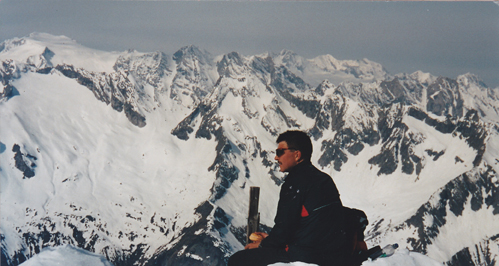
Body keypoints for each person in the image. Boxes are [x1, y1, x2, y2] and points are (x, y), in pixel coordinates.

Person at [228, 130, 348, 266]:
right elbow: (309, 223)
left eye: (280, 152)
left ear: (297, 155)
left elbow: (285, 227)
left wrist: (263, 244)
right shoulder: (324, 179)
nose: (276, 158)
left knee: (237, 260)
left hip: (304, 255)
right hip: (331, 254)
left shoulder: (294, 184)